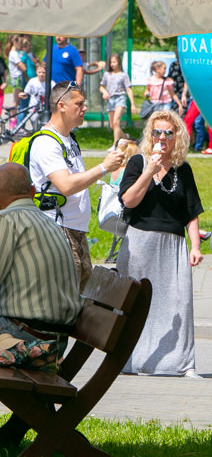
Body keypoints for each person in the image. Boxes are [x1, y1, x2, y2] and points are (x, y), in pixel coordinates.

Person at [118, 110, 204, 378]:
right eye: (157, 132)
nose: (163, 138)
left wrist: (195, 247)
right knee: (136, 305)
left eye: (169, 132)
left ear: (177, 136)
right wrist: (149, 171)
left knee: (179, 303)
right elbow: (128, 201)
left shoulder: (183, 170)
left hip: (173, 245)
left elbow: (191, 213)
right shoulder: (137, 162)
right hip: (141, 242)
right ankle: (130, 361)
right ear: (150, 135)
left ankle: (182, 364)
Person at [28, 81, 124, 291]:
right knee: (67, 297)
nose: (85, 108)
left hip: (76, 230)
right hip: (58, 231)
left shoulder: (69, 139)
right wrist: (103, 168)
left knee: (81, 296)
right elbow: (66, 185)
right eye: (79, 104)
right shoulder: (46, 142)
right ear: (61, 106)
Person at [0, 162, 83, 364]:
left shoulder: (7, 220)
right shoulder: (49, 222)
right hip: (58, 337)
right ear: (31, 191)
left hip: (27, 334)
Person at [100, 53, 136, 146]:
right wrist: (105, 92)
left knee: (116, 122)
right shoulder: (107, 74)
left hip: (120, 98)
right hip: (111, 100)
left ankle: (115, 144)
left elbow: (128, 89)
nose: (112, 64)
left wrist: (132, 104)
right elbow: (101, 87)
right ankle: (126, 138)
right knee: (113, 125)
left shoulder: (124, 75)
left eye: (114, 62)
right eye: (111, 62)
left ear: (119, 62)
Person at [5, 34, 25, 121]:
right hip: (17, 78)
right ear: (15, 42)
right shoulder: (13, 54)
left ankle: (13, 119)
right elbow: (22, 67)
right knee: (16, 101)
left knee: (17, 101)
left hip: (16, 78)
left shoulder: (13, 53)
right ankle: (12, 120)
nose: (20, 45)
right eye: (20, 43)